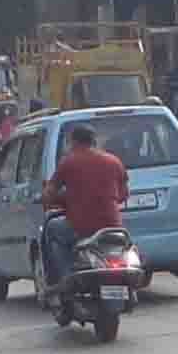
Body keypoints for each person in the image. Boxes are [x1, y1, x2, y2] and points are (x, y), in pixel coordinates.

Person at [36, 115, 130, 292]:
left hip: (80, 227)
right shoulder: (114, 161)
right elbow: (123, 195)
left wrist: (53, 200)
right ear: (94, 141)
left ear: (74, 142)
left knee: (51, 230)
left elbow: (49, 194)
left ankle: (63, 278)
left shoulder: (69, 162)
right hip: (113, 226)